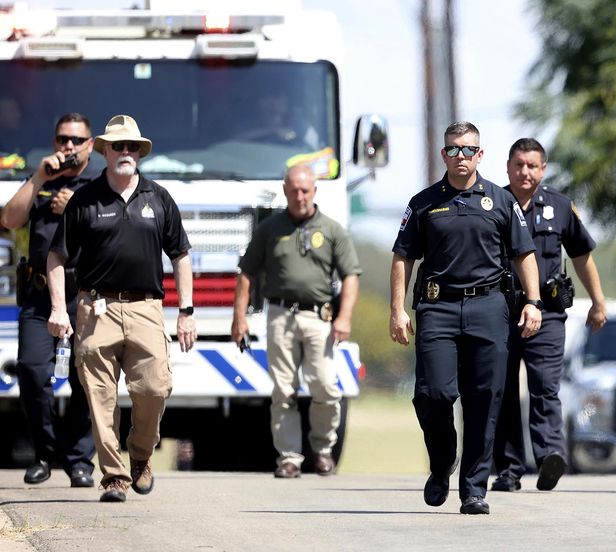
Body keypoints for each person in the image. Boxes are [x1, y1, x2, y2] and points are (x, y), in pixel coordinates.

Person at [389, 121, 543, 515]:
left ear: (480, 154)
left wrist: (533, 302)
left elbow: (524, 254)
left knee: (484, 398)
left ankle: (474, 489)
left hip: (489, 308)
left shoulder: (500, 201)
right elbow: (403, 256)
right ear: (444, 154)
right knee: (433, 394)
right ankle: (442, 463)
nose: (461, 156)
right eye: (453, 149)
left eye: (468, 149)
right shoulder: (423, 202)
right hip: (437, 308)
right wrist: (397, 310)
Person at [46, 114, 197, 503]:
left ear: (140, 153)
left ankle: (141, 456)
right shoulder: (85, 200)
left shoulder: (158, 197)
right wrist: (59, 309)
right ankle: (113, 475)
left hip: (147, 309)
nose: (126, 152)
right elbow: (56, 257)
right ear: (106, 152)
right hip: (96, 308)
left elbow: (180, 255)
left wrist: (186, 311)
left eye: (133, 147)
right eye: (118, 146)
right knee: (99, 396)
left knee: (155, 387)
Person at [491, 138, 607, 493]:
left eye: (532, 165)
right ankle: (509, 470)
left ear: (543, 169)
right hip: (501, 312)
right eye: (519, 164)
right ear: (508, 167)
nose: (525, 171)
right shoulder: (492, 203)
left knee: (545, 388)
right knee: (503, 391)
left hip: (549, 315)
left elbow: (581, 255)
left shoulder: (558, 206)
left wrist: (598, 301)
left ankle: (548, 457)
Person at [232, 163, 361, 479]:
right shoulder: (270, 229)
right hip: (280, 316)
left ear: (314, 191)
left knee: (325, 386)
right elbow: (246, 274)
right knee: (283, 389)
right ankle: (289, 457)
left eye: (305, 190)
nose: (299, 196)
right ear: (286, 191)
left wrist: (344, 318)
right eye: (293, 190)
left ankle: (323, 450)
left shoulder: (332, 230)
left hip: (319, 318)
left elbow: (351, 276)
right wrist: (239, 319)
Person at [0, 113, 99, 488]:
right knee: (31, 370)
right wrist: (39, 177)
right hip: (40, 297)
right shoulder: (41, 179)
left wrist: (74, 208)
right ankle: (44, 453)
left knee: (86, 380)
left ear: (90, 145)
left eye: (76, 140)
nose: (68, 147)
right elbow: (9, 219)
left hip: (85, 297)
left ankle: (79, 462)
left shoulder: (98, 183)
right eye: (62, 140)